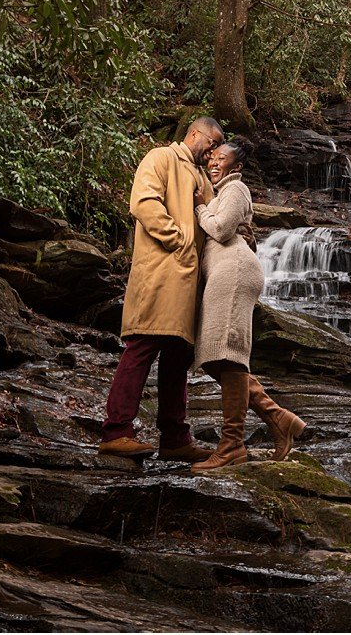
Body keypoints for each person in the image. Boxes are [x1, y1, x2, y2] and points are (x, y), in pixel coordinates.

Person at [97, 116, 225, 461]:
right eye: (210, 142)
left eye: (217, 147)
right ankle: (117, 431)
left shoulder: (202, 178)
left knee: (178, 357)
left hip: (190, 284)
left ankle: (175, 438)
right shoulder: (161, 158)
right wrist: (179, 239)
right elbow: (143, 203)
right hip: (161, 275)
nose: (212, 151)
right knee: (142, 344)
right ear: (193, 133)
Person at [189, 139, 306, 471]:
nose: (213, 162)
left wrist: (200, 208)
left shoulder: (236, 189)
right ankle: (277, 417)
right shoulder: (220, 192)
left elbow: (222, 229)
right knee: (213, 356)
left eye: (221, 159)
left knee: (227, 354)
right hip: (225, 271)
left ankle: (231, 445)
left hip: (234, 270)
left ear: (235, 167)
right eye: (212, 157)